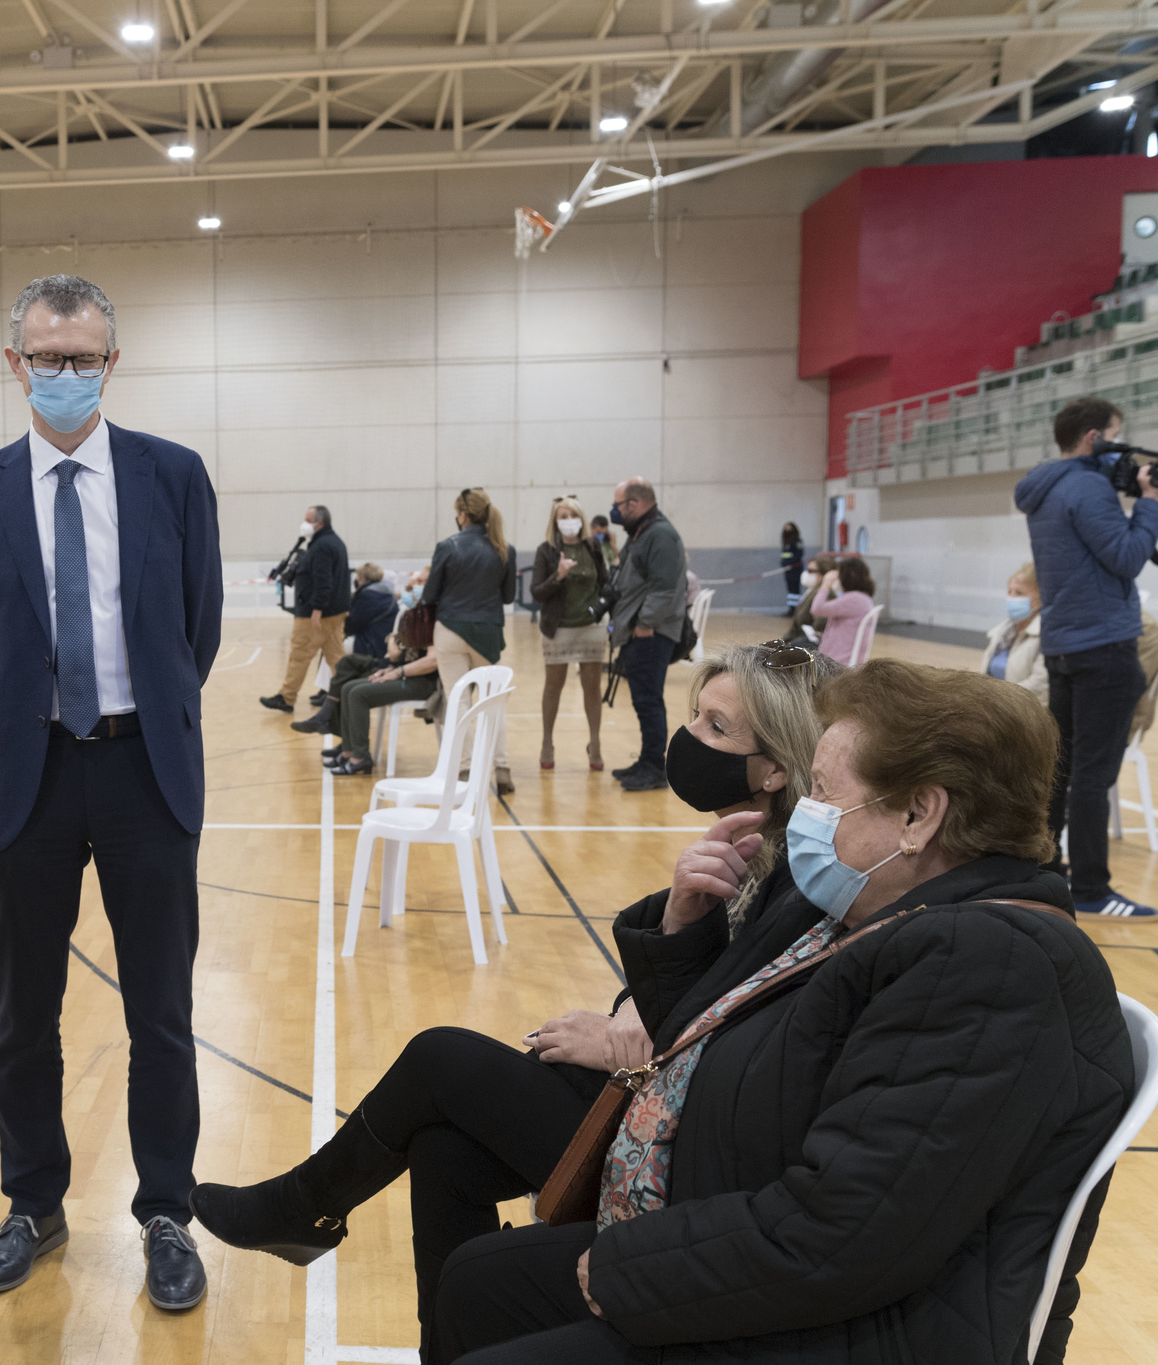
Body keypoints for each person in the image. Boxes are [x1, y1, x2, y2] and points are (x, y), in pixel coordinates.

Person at [427, 660, 1131, 1365]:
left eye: (826, 793)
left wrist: (628, 1268)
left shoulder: (990, 963)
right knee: (476, 1282)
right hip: (788, 1258)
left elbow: (845, 1235)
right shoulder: (892, 913)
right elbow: (718, 1045)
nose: (808, 813)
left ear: (920, 813)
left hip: (866, 1326)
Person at [195, 639, 843, 1362]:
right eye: (695, 716)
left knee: (439, 1058)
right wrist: (654, 965)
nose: (691, 739)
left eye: (717, 729)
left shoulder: (799, 872)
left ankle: (304, 1206)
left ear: (779, 766)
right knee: (443, 1147)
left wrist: (633, 1015)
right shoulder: (750, 846)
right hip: (650, 1101)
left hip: (671, 1151)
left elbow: (711, 1031)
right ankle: (435, 1335)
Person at [0, 274, 222, 1312]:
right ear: (14, 364)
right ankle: (33, 1203)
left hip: (145, 771)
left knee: (162, 1015)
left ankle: (165, 1214)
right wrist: (25, 721)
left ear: (112, 360)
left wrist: (129, 716)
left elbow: (198, 633)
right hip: (29, 778)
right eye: (45, 358)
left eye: (83, 357)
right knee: (24, 1016)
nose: (64, 373)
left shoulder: (173, 476)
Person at [1015, 394, 1158, 919]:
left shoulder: (1045, 488)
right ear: (1095, 437)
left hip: (1065, 644)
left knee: (1066, 768)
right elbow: (1124, 556)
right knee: (1093, 776)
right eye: (1117, 434)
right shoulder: (1089, 486)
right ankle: (1094, 890)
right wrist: (1149, 505)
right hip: (1105, 646)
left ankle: (1046, 873)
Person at [423, 488, 516, 793]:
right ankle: (502, 769)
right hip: (488, 632)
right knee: (493, 703)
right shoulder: (504, 548)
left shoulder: (447, 546)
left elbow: (430, 595)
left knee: (458, 701)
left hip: (451, 629)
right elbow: (508, 596)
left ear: (462, 514)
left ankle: (464, 770)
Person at [292, 602, 441, 776]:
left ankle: (360, 758)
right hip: (408, 676)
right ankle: (348, 751)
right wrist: (392, 669)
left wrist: (398, 672)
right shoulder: (421, 617)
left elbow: (432, 662)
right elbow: (405, 657)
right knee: (347, 688)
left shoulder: (436, 623)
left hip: (423, 683)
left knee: (358, 694)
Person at [607, 477, 687, 792]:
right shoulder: (643, 532)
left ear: (636, 503)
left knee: (649, 699)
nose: (615, 511)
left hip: (650, 634)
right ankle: (647, 760)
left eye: (618, 505)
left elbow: (665, 587)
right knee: (642, 699)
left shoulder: (660, 535)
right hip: (637, 632)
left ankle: (654, 767)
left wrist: (645, 623)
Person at [530, 497, 609, 773]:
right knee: (554, 686)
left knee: (592, 687)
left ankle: (595, 742)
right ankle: (547, 742)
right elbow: (536, 592)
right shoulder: (546, 551)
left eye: (572, 514)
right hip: (558, 628)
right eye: (562, 515)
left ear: (581, 517)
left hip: (591, 628)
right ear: (555, 521)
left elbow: (605, 583)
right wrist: (559, 576)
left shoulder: (593, 546)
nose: (568, 519)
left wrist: (602, 610)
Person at [261, 505, 350, 713]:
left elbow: (323, 580)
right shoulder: (334, 542)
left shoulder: (322, 546)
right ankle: (349, 695)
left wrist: (317, 609)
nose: (304, 524)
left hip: (315, 615)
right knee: (336, 658)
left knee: (300, 655)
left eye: (308, 520)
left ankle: (287, 697)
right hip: (334, 613)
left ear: (320, 523)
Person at [981, 562, 1047, 699]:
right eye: (1009, 592)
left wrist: (1001, 699)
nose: (1012, 598)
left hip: (1023, 712)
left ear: (1040, 597)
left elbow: (1040, 683)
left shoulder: (1045, 634)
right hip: (993, 706)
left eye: (1019, 593)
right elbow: (985, 673)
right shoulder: (1002, 631)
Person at [809, 555, 877, 665]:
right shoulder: (861, 598)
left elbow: (816, 609)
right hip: (840, 658)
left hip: (837, 662)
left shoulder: (854, 599)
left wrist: (826, 584)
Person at [347, 562, 399, 659]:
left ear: (362, 578)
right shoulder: (389, 594)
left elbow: (352, 625)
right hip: (383, 643)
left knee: (334, 649)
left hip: (369, 645)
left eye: (358, 576)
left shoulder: (367, 595)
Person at [780, 521, 804, 614]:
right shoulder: (786, 542)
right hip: (787, 569)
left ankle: (796, 609)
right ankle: (791, 608)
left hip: (795, 569)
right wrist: (784, 563)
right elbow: (784, 555)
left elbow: (799, 554)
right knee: (790, 589)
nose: (787, 531)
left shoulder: (798, 541)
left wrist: (791, 563)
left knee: (795, 589)